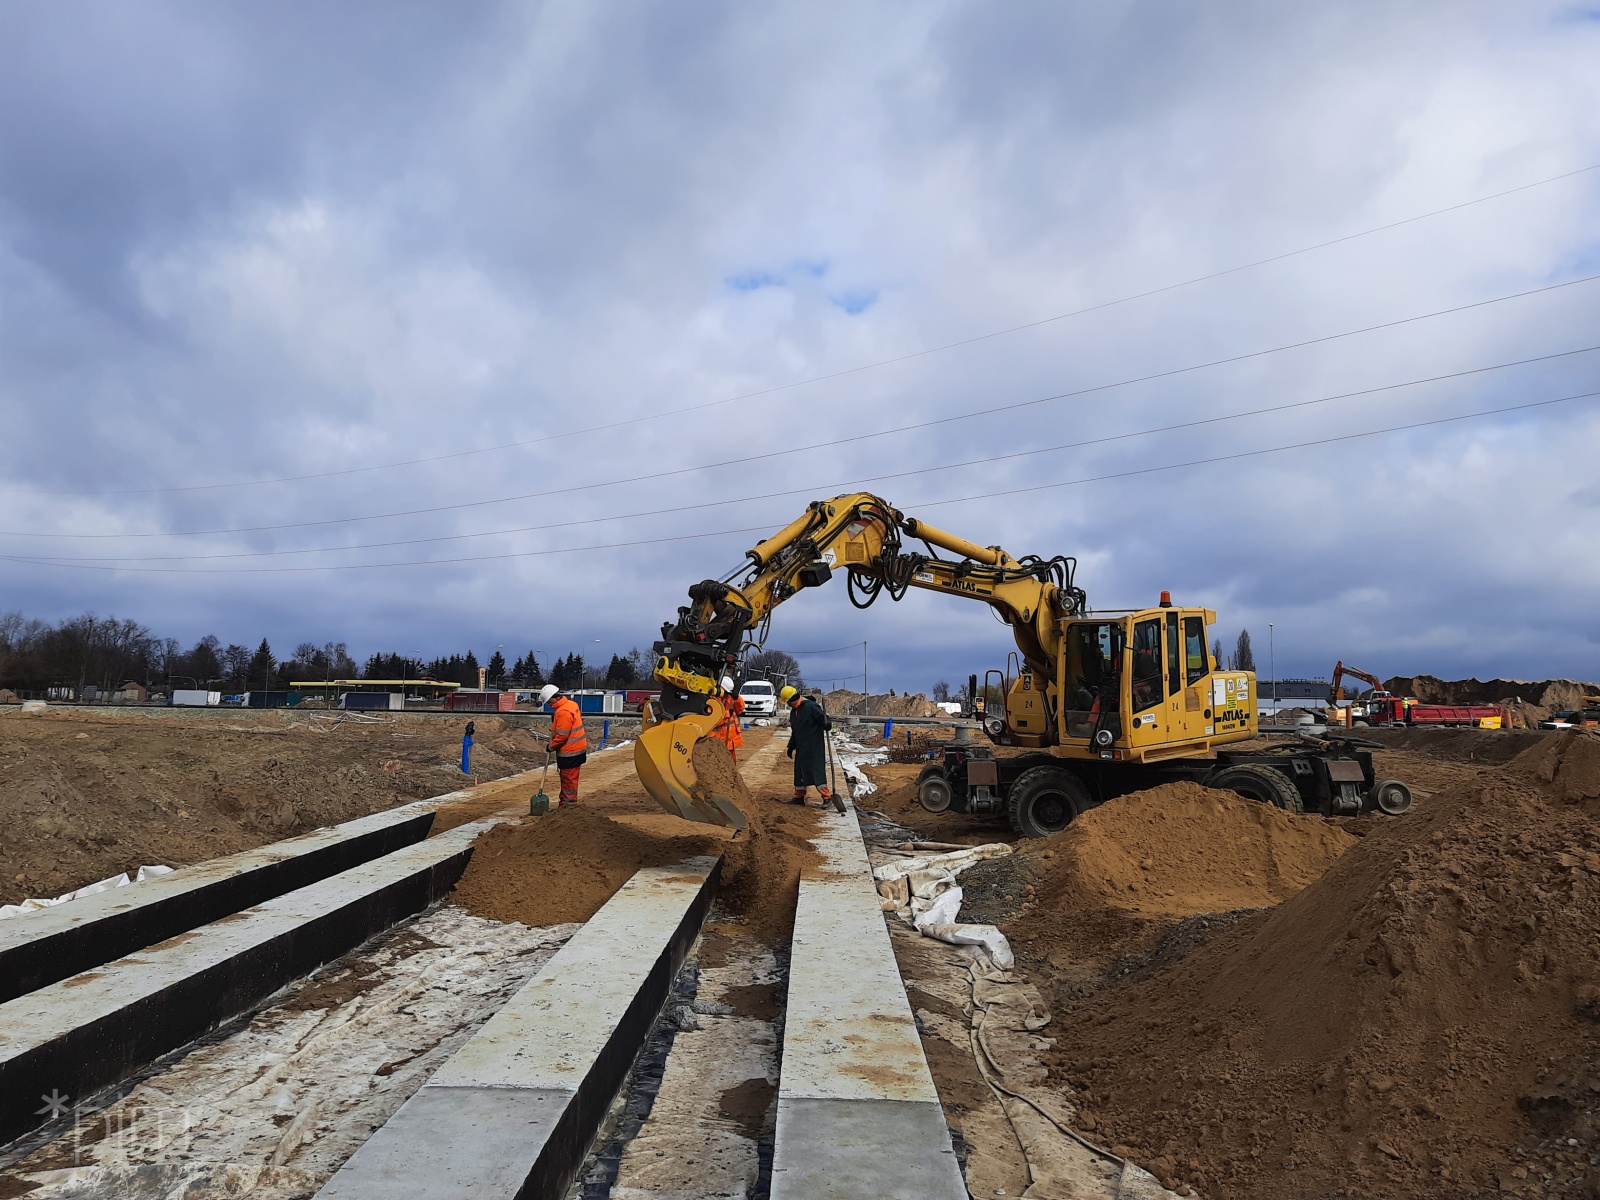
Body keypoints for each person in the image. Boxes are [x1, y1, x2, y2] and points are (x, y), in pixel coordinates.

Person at [782, 686, 842, 811]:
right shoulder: (794, 712)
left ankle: (826, 797)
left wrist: (827, 724)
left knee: (816, 772)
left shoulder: (811, 707)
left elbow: (824, 719)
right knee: (800, 773)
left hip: (814, 747)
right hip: (801, 747)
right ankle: (799, 797)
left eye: (788, 702)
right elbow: (795, 731)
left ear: (792, 699)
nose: (788, 705)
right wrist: (790, 746)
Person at [540, 683, 588, 806]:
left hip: (570, 752)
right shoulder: (571, 704)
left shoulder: (563, 712)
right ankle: (567, 800)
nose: (549, 704)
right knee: (571, 778)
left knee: (568, 779)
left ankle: (568, 804)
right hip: (578, 749)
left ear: (555, 697)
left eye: (549, 701)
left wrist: (551, 746)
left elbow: (562, 736)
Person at [712, 675, 745, 762]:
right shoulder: (712, 700)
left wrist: (736, 697)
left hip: (730, 740)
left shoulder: (729, 698)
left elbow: (740, 709)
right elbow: (714, 720)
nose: (726, 694)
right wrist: (727, 713)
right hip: (716, 740)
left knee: (731, 764)